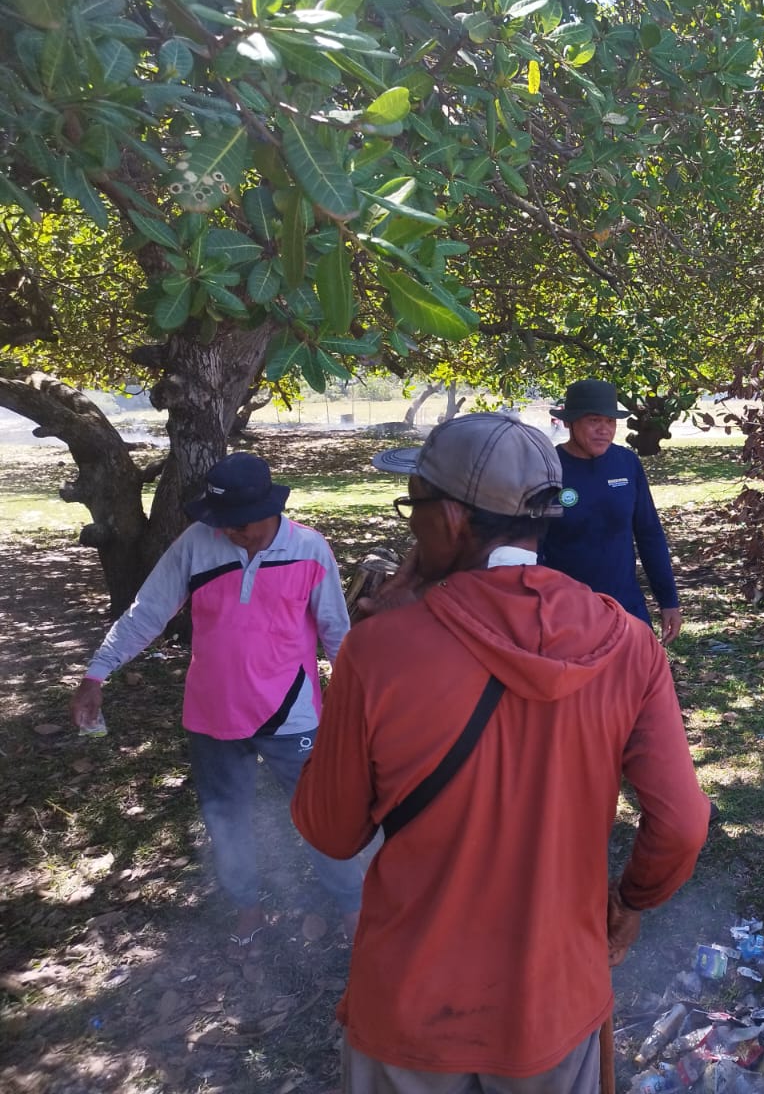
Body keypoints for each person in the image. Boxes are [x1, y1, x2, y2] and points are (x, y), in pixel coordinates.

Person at [291, 412, 708, 1093]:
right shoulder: (628, 641)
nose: (411, 526)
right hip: (555, 1004)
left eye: (416, 506)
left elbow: (331, 831)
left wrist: (363, 654)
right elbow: (684, 824)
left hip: (411, 1006)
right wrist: (631, 901)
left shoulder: (379, 650)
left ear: (452, 520)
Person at [69, 453, 362, 948]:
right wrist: (97, 672)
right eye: (221, 523)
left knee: (322, 813)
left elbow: (336, 630)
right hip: (212, 713)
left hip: (293, 714)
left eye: (240, 524)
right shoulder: (197, 544)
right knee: (226, 817)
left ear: (272, 509)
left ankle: (352, 908)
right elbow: (147, 612)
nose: (230, 533)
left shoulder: (310, 550)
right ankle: (248, 907)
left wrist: (358, 700)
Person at [540, 379, 682, 644]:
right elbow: (530, 546)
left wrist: (668, 601)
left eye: (610, 422)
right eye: (594, 421)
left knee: (638, 681)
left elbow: (649, 534)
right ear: (569, 422)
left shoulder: (626, 463)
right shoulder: (547, 468)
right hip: (564, 614)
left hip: (625, 608)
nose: (603, 430)